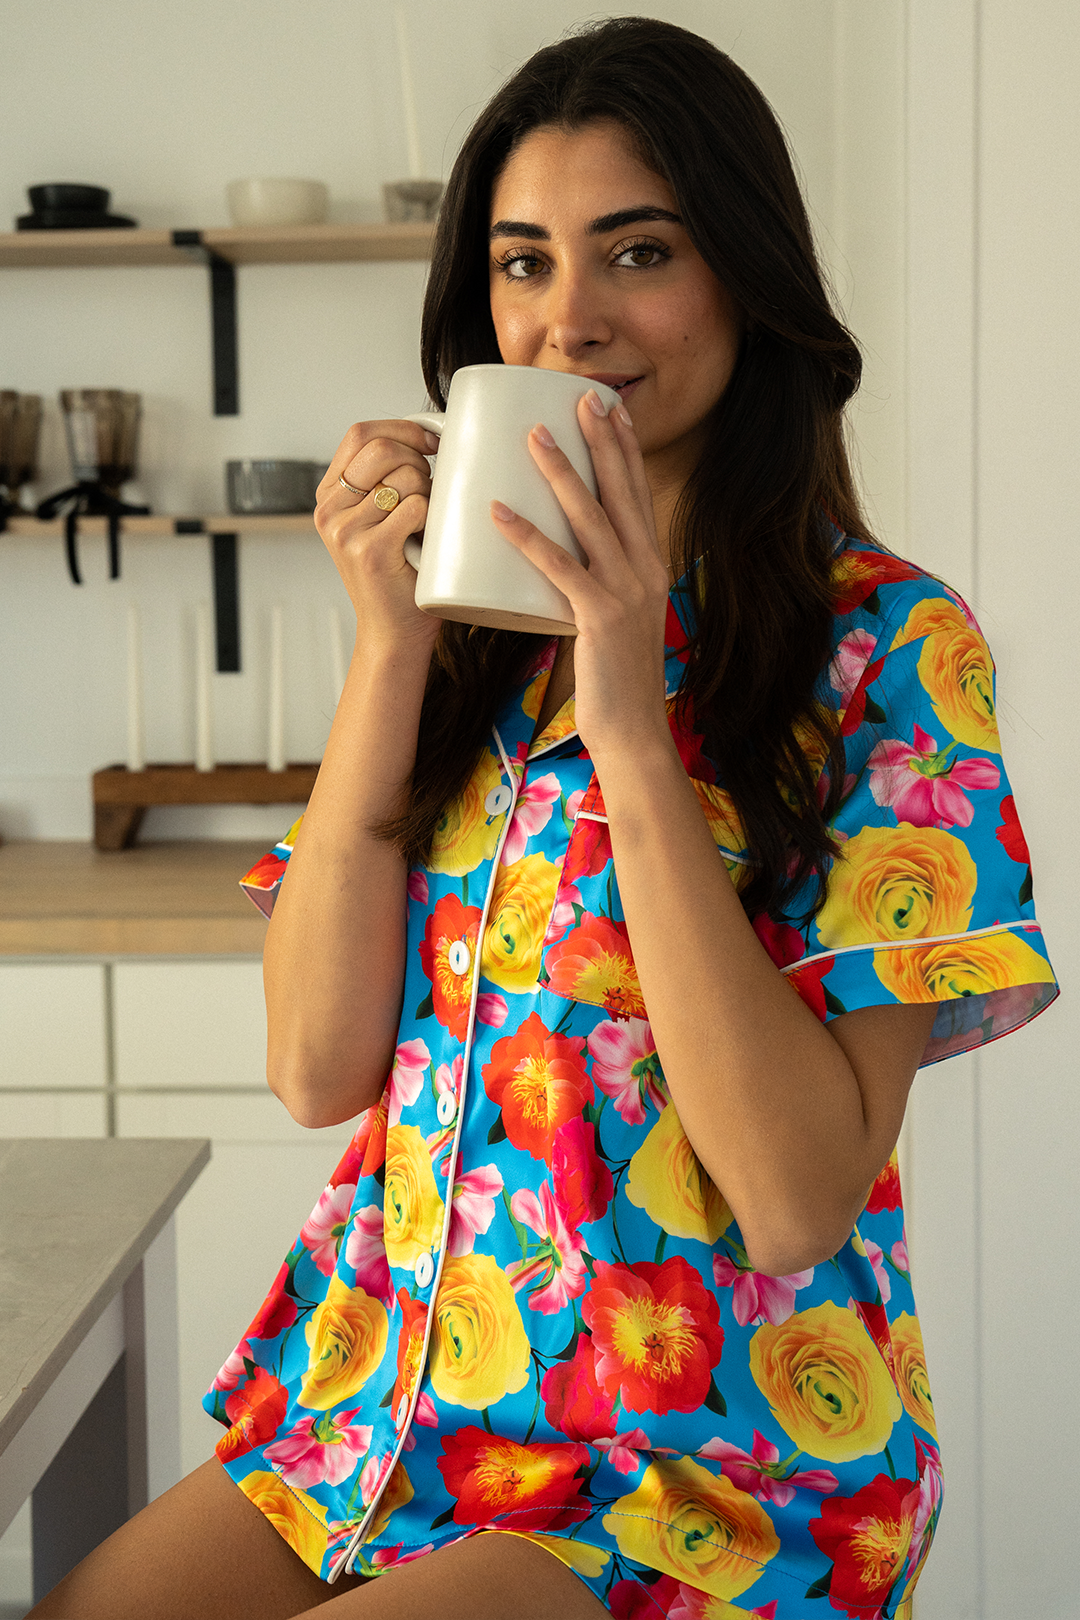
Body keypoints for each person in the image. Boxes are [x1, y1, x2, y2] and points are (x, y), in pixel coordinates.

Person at [31, 17, 1057, 1620]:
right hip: (376, 1408)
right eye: (523, 265)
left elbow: (797, 1198)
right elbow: (315, 1069)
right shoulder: (458, 637)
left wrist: (633, 717)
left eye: (636, 251)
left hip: (695, 1463)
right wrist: (391, 646)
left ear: (745, 277)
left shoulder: (889, 649)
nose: (570, 319)